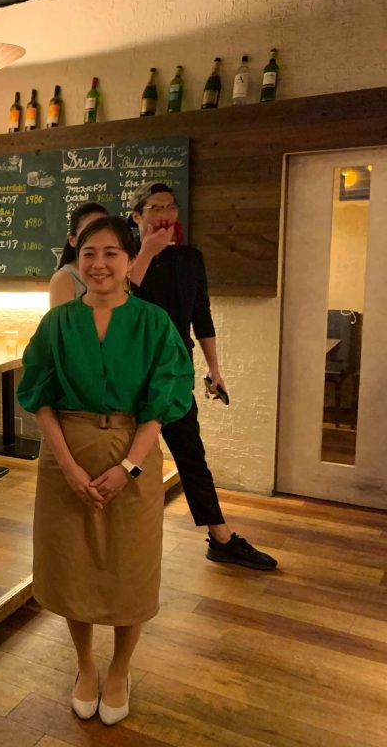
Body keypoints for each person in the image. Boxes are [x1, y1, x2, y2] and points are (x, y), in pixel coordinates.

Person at [18, 216, 193, 725]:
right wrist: (68, 467)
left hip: (131, 453)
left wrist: (129, 468)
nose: (98, 264)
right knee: (71, 565)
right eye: (89, 253)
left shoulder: (154, 322)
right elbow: (40, 397)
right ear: (77, 258)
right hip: (65, 454)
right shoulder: (57, 323)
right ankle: (85, 666)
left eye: (111, 253)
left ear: (130, 259)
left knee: (130, 566)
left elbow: (162, 403)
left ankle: (120, 669)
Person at [129, 182, 278, 570]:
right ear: (136, 216)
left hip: (172, 373)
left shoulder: (190, 259)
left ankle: (221, 538)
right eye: (155, 208)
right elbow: (120, 303)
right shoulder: (123, 256)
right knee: (124, 456)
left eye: (171, 207)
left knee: (191, 455)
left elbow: (201, 316)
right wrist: (146, 253)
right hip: (128, 374)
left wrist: (215, 369)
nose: (165, 215)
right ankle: (119, 540)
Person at [48, 202, 109, 306]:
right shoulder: (63, 278)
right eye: (90, 231)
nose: (99, 236)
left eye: (104, 230)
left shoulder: (114, 272)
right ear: (72, 240)